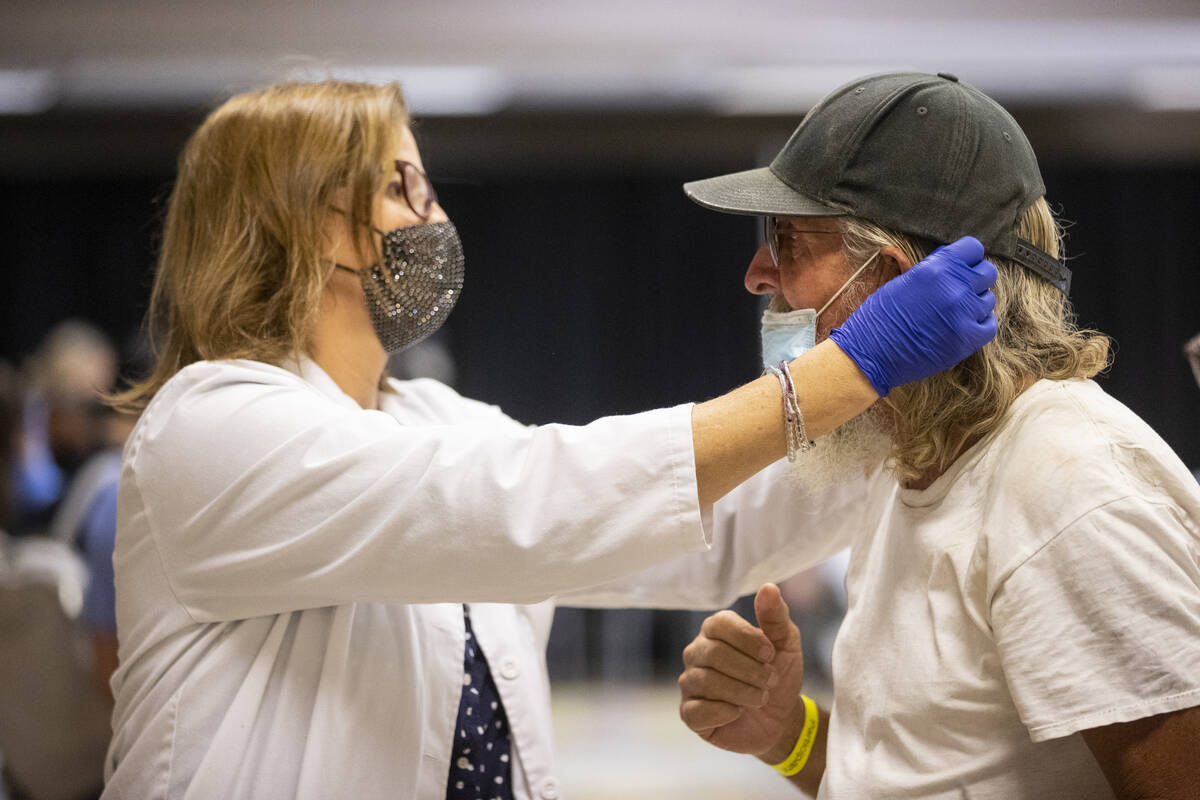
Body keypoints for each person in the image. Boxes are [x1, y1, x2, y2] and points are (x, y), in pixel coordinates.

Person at [99, 80, 997, 800]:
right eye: (398, 185)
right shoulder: (209, 427)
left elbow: (703, 525)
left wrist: (909, 409)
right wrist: (855, 366)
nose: (431, 216)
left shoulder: (434, 423)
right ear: (300, 222)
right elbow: (520, 502)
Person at [675, 71, 1200, 799]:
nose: (758, 275)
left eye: (789, 239)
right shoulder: (914, 458)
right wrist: (790, 737)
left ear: (893, 280)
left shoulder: (1072, 489)